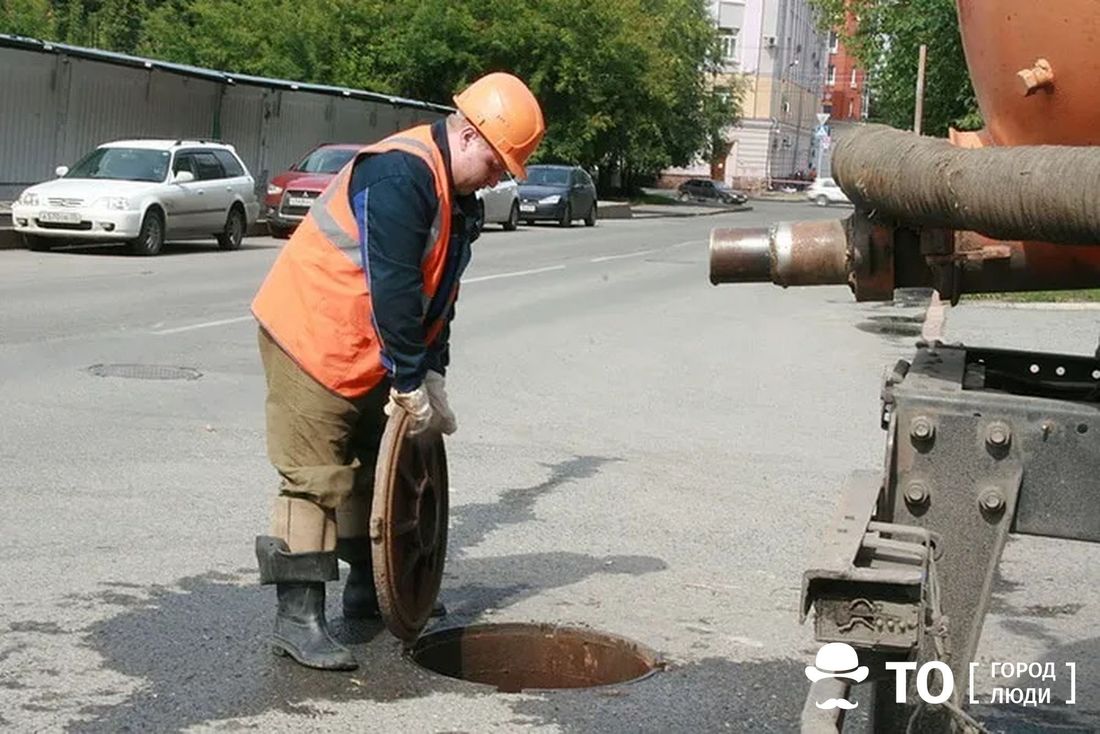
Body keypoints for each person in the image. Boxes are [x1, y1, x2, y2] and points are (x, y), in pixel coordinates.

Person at [250, 72, 545, 671]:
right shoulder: (399, 173)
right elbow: (394, 285)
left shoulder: (458, 200)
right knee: (315, 477)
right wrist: (409, 378)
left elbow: (440, 296)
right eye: (494, 164)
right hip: (312, 335)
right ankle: (297, 619)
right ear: (467, 134)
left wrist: (432, 371)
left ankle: (368, 590)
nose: (496, 180)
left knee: (368, 469)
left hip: (370, 346)